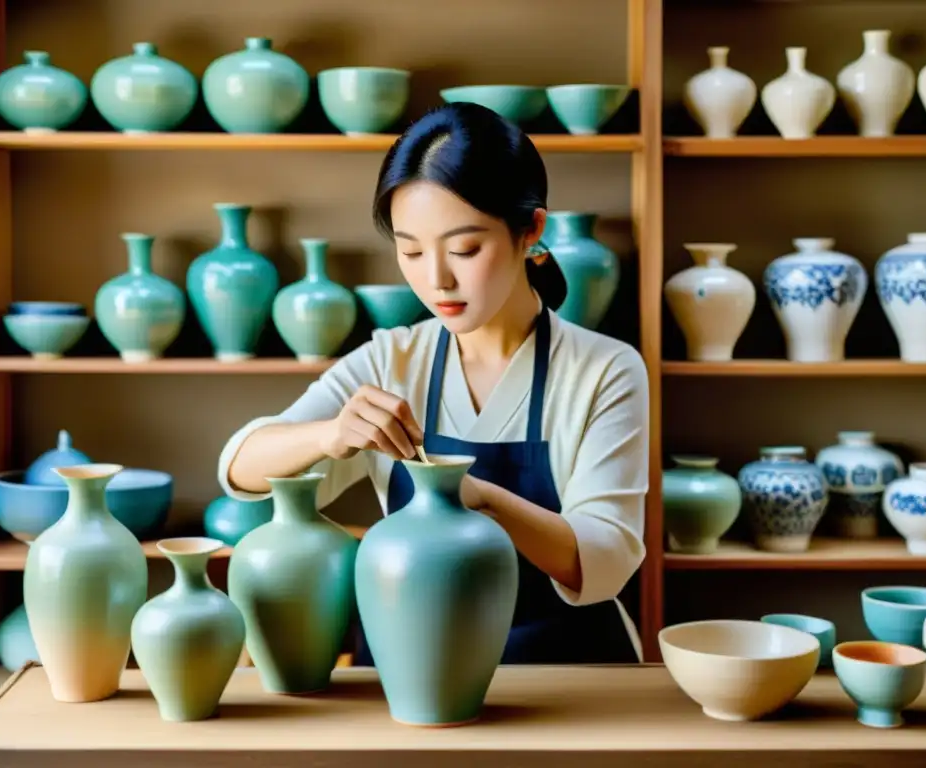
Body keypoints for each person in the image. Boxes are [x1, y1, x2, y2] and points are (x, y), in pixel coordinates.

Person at [217, 102, 649, 664]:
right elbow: (238, 469)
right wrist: (329, 436)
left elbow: (606, 560)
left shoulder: (605, 369)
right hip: (408, 664)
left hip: (565, 671)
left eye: (465, 249)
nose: (436, 279)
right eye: (411, 250)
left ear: (531, 230)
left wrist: (478, 499)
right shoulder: (391, 359)